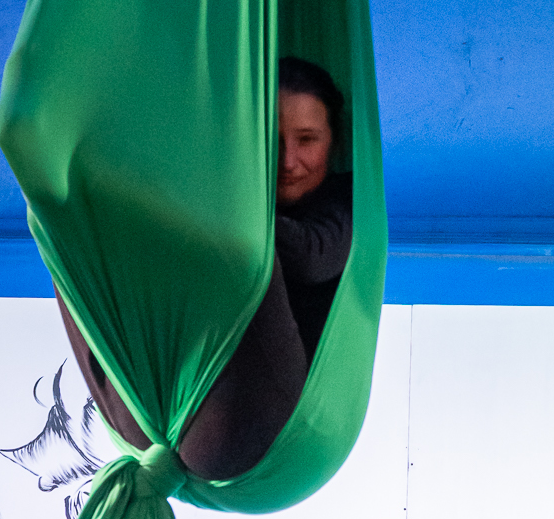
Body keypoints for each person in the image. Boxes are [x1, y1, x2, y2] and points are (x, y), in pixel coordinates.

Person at [55, 55, 354, 482]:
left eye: (307, 139)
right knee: (74, 246)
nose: (289, 160)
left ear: (333, 142)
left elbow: (312, 257)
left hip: (254, 424)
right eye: (272, 139)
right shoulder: (220, 211)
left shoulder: (347, 197)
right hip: (153, 420)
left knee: (245, 252)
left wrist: (206, 197)